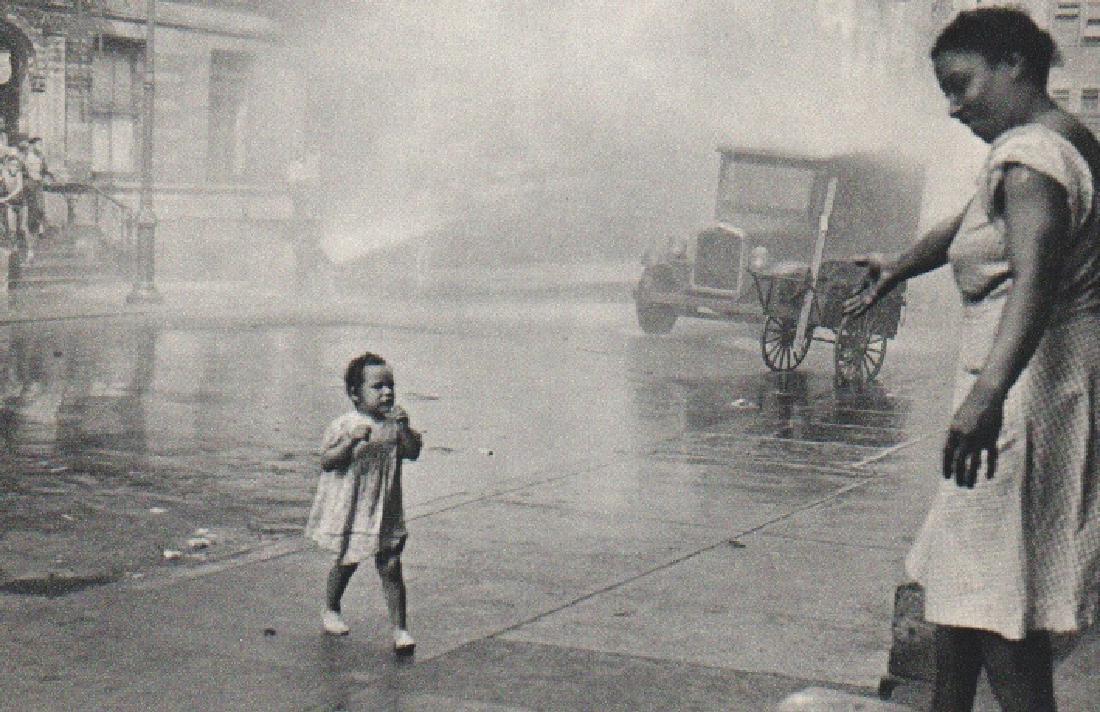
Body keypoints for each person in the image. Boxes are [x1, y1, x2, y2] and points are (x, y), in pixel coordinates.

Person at [846, 8, 1100, 711]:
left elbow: (1036, 278)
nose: (955, 108)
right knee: (960, 591)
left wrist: (987, 394)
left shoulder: (1031, 165)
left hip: (1018, 398)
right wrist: (900, 263)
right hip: (1044, 390)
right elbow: (970, 221)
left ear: (1014, 65)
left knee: (997, 608)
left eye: (963, 86)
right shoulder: (1055, 142)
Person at [304, 351, 422, 653]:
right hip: (354, 507)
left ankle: (400, 629)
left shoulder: (394, 424)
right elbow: (327, 461)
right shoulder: (346, 425)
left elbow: (412, 452)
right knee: (347, 560)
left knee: (391, 565)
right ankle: (331, 607)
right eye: (378, 387)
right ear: (356, 394)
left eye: (390, 386)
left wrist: (406, 429)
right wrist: (351, 441)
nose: (387, 393)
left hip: (385, 507)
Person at [22, 137, 52, 243]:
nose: (40, 146)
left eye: (41, 144)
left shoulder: (41, 157)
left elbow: (45, 170)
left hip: (38, 184)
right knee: (32, 208)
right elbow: (22, 171)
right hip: (29, 184)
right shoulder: (25, 156)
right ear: (32, 145)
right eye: (38, 144)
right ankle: (32, 232)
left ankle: (40, 230)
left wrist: (47, 177)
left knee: (40, 207)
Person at [0, 150, 28, 260]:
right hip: (11, 205)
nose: (14, 167)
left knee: (22, 228)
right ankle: (14, 251)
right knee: (12, 230)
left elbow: (19, 188)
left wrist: (6, 198)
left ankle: (27, 252)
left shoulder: (19, 174)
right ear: (8, 166)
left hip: (21, 204)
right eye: (12, 165)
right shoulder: (4, 174)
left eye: (16, 165)